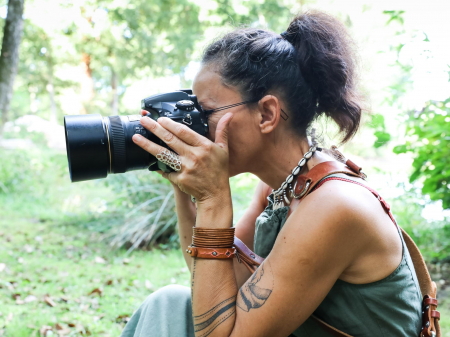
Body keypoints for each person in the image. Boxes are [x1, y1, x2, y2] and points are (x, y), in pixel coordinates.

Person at [120, 10, 422, 337]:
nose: (193, 126)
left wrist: (212, 200)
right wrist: (181, 178)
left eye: (203, 113)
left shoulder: (333, 206)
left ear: (266, 114)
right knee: (170, 303)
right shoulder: (278, 188)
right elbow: (215, 281)